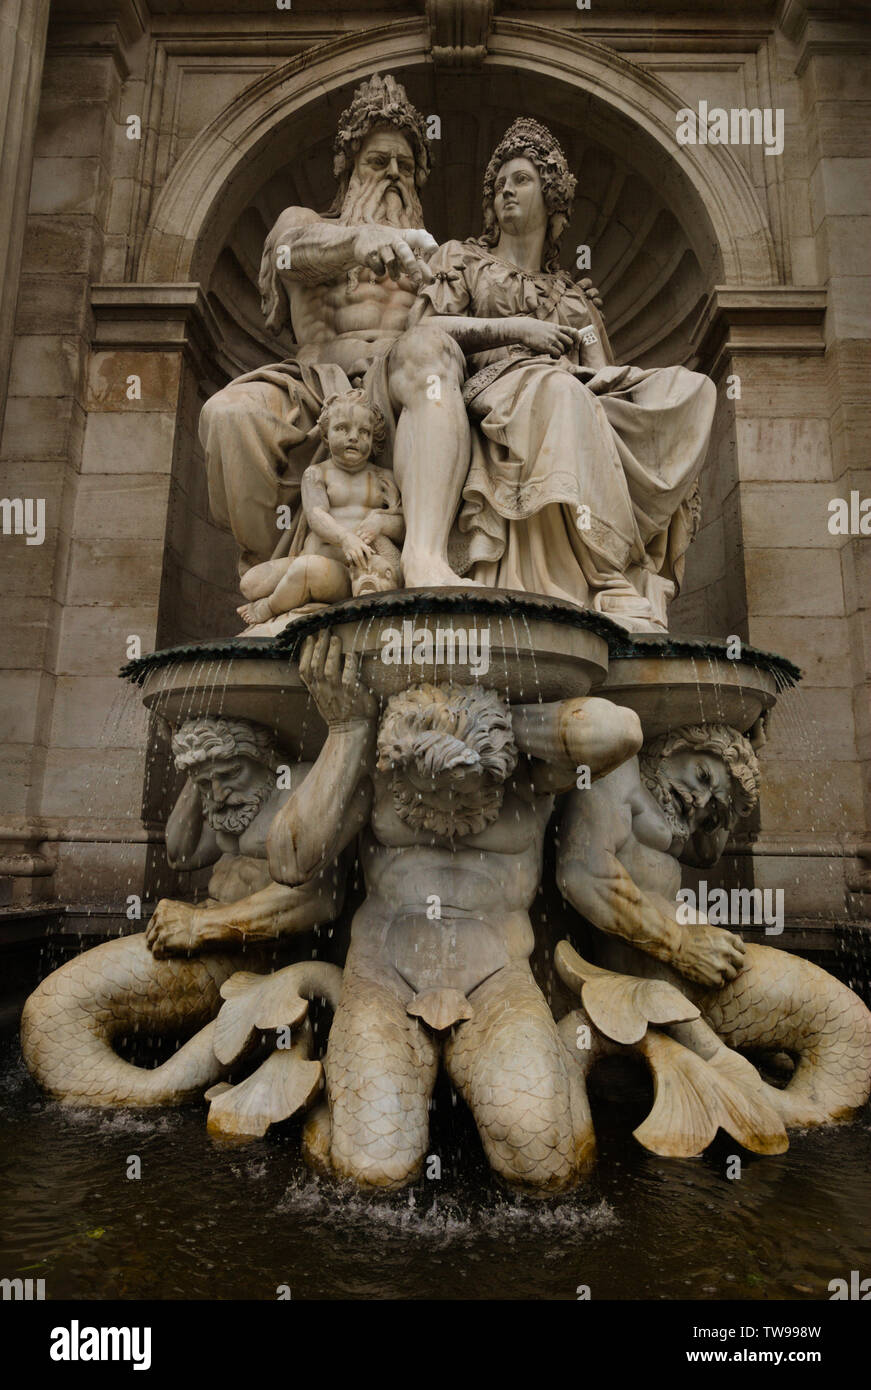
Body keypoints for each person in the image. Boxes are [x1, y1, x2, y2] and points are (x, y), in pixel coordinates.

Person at [265, 631, 642, 1192]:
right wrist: (348, 732)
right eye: (427, 792)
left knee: (542, 1166)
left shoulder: (531, 778)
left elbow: (619, 732)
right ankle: (330, 1097)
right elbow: (289, 860)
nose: (444, 808)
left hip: (497, 982)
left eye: (463, 792)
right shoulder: (379, 771)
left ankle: (562, 1061)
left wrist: (496, 725)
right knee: (375, 1171)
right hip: (382, 978)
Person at [408, 117, 716, 631]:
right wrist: (517, 330)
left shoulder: (573, 299)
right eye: (499, 183)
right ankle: (606, 577)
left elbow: (600, 369)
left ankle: (625, 561)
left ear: (551, 199)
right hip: (490, 387)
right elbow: (421, 329)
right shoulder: (461, 260)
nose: (506, 190)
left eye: (521, 180)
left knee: (695, 389)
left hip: (567, 392)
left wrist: (599, 380)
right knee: (560, 392)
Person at [199, 74, 470, 589]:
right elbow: (288, 256)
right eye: (378, 162)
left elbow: (469, 316)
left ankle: (424, 557)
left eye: (406, 166)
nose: (394, 173)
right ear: (348, 170)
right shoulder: (303, 222)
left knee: (430, 354)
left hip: (396, 387)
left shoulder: (439, 253)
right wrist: (355, 242)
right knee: (227, 415)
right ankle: (277, 567)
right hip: (313, 383)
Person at [237, 390, 402, 627]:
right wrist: (345, 538)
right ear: (325, 435)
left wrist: (381, 523)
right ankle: (295, 588)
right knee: (251, 583)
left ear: (374, 438)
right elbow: (316, 514)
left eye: (363, 432)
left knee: (306, 569)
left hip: (355, 571)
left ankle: (268, 607)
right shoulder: (317, 473)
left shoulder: (383, 478)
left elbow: (405, 524)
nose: (353, 437)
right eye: (343, 429)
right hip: (319, 553)